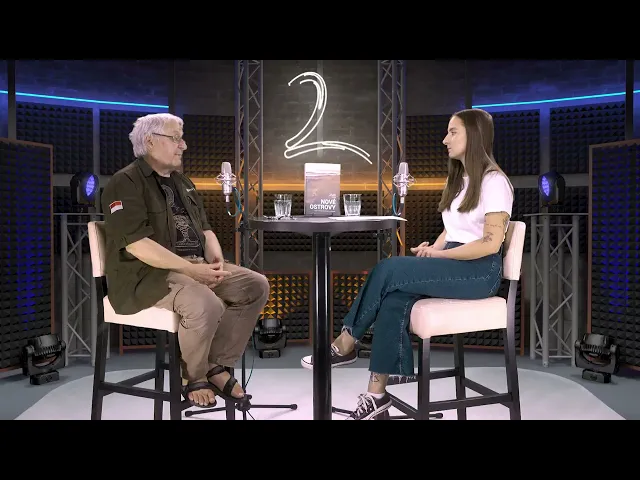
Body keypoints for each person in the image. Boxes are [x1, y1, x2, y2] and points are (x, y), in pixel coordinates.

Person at [300, 108, 514, 420]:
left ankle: (346, 342)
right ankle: (376, 395)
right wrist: (434, 249)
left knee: (388, 269)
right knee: (393, 297)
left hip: (480, 271)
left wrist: (441, 256)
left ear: (474, 135)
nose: (445, 139)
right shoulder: (460, 180)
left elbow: (490, 243)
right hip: (455, 263)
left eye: (453, 132)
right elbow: (452, 230)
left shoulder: (495, 182)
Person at [101, 113, 270, 409]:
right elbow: (138, 245)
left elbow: (204, 229)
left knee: (255, 286)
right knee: (206, 303)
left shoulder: (182, 182)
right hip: (147, 275)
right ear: (150, 141)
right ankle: (193, 377)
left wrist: (215, 258)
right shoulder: (125, 182)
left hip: (192, 266)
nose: (184, 145)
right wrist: (191, 270)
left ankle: (214, 365)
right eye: (176, 138)